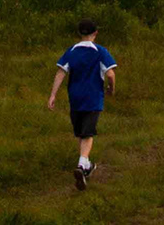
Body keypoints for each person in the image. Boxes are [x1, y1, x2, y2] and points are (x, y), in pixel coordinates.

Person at [47, 19, 119, 188]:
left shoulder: (71, 51)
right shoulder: (100, 51)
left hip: (75, 97)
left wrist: (53, 95)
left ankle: (86, 167)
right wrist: (111, 89)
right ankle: (81, 164)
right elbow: (111, 74)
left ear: (79, 33)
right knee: (88, 133)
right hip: (93, 97)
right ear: (96, 33)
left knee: (81, 132)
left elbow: (60, 73)